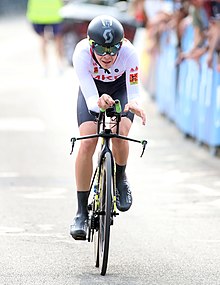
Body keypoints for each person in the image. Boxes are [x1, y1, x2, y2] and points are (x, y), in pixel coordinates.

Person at [70, 15, 146, 240]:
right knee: (87, 142)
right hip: (93, 91)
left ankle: (120, 177)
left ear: (120, 45)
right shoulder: (81, 53)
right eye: (101, 50)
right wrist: (98, 103)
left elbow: (133, 92)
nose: (107, 56)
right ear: (91, 45)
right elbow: (91, 97)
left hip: (120, 90)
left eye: (113, 50)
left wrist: (134, 105)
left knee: (120, 133)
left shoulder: (130, 53)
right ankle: (81, 212)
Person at [26, 0, 64, 75]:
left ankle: (46, 67)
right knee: (57, 40)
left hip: (39, 13)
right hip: (54, 12)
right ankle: (58, 65)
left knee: (43, 40)